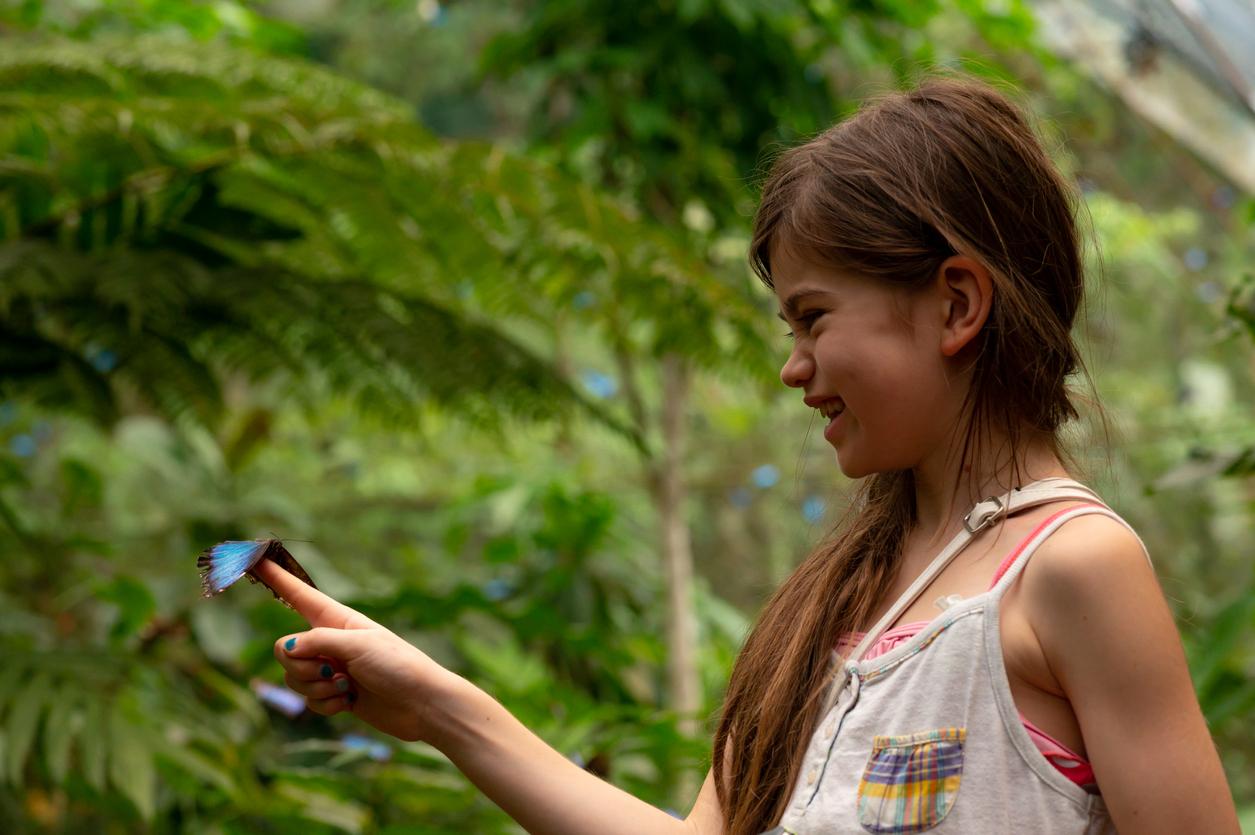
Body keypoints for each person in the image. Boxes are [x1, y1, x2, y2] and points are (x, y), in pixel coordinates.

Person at [255, 76, 1240, 834]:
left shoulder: (1070, 568)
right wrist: (438, 707)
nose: (794, 368)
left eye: (812, 318)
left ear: (954, 304)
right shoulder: (848, 594)